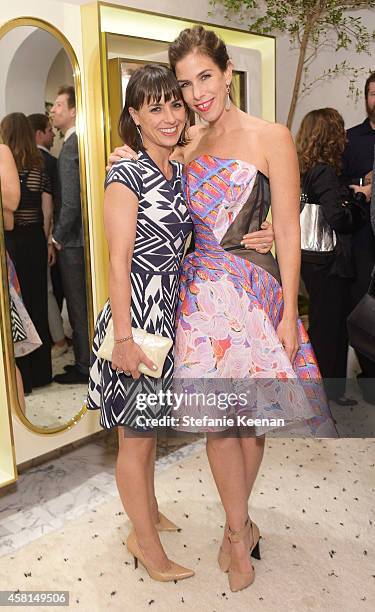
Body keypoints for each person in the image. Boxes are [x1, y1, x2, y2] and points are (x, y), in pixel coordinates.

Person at [108, 27, 337, 593]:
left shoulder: (272, 135)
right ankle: (239, 534)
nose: (196, 93)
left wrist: (289, 311)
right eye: (185, 84)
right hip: (198, 303)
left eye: (204, 77)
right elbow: (153, 198)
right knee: (218, 425)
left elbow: (286, 226)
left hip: (254, 300)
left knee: (250, 424)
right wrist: (124, 152)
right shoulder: (183, 146)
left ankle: (237, 527)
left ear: (227, 72)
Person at [87, 64, 196, 582]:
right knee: (137, 435)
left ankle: (147, 514)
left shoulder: (177, 168)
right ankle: (146, 547)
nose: (170, 116)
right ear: (134, 115)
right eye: (155, 108)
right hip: (139, 320)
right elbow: (118, 262)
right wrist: (125, 340)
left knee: (149, 432)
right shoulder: (124, 173)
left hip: (168, 317)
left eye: (175, 103)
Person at [296, 108, 371, 405]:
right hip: (328, 263)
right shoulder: (325, 172)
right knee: (331, 331)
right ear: (330, 136)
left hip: (311, 261)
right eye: (339, 130)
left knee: (324, 325)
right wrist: (359, 198)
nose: (345, 137)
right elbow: (339, 219)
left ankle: (323, 392)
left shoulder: (305, 169)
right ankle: (326, 395)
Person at [0, 113, 53, 393]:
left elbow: (10, 210)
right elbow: (47, 209)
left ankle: (27, 377)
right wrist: (47, 243)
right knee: (38, 303)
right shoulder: (38, 164)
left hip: (13, 239)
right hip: (34, 238)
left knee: (19, 309)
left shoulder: (7, 166)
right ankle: (43, 372)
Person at [50, 86, 89, 383]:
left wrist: (57, 237)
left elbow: (71, 202)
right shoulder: (74, 142)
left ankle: (84, 366)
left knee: (78, 305)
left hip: (73, 241)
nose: (53, 110)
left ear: (74, 110)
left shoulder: (72, 145)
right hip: (77, 239)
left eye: (59, 105)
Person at [342, 72, 375, 402]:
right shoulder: (351, 140)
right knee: (364, 308)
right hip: (363, 240)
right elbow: (339, 185)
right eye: (372, 93)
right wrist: (363, 184)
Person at [28, 113, 68, 359]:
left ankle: (58, 339)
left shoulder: (41, 163)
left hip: (50, 237)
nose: (53, 133)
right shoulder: (47, 162)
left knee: (50, 291)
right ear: (38, 134)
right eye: (48, 129)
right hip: (48, 236)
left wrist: (53, 238)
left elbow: (53, 205)